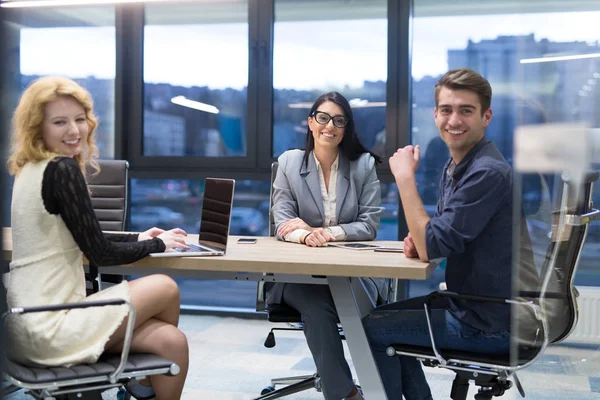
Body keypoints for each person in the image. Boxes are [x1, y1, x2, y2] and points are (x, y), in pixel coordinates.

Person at [6, 76, 190, 400]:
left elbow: (77, 232)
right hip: (50, 324)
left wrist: (138, 235)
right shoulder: (61, 169)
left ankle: (143, 382)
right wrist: (158, 245)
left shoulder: (29, 168)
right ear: (38, 127)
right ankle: (140, 382)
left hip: (23, 325)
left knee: (171, 343)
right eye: (60, 122)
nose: (75, 130)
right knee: (165, 286)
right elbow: (100, 253)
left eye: (80, 119)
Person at [363, 68, 535, 399]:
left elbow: (433, 244)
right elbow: (438, 237)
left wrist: (404, 178)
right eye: (446, 110)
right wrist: (424, 237)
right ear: (435, 114)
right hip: (476, 307)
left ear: (486, 116)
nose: (453, 120)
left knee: (371, 329)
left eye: (466, 111)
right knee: (381, 319)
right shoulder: (459, 165)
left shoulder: (487, 173)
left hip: (487, 322)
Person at [266, 91, 384, 400]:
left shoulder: (363, 166)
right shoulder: (289, 163)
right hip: (296, 276)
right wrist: (304, 235)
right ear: (310, 122)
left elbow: (369, 224)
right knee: (318, 305)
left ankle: (356, 389)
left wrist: (325, 233)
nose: (329, 126)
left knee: (333, 305)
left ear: (346, 128)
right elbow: (283, 220)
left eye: (338, 120)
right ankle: (345, 394)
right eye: (322, 117)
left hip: (353, 274)